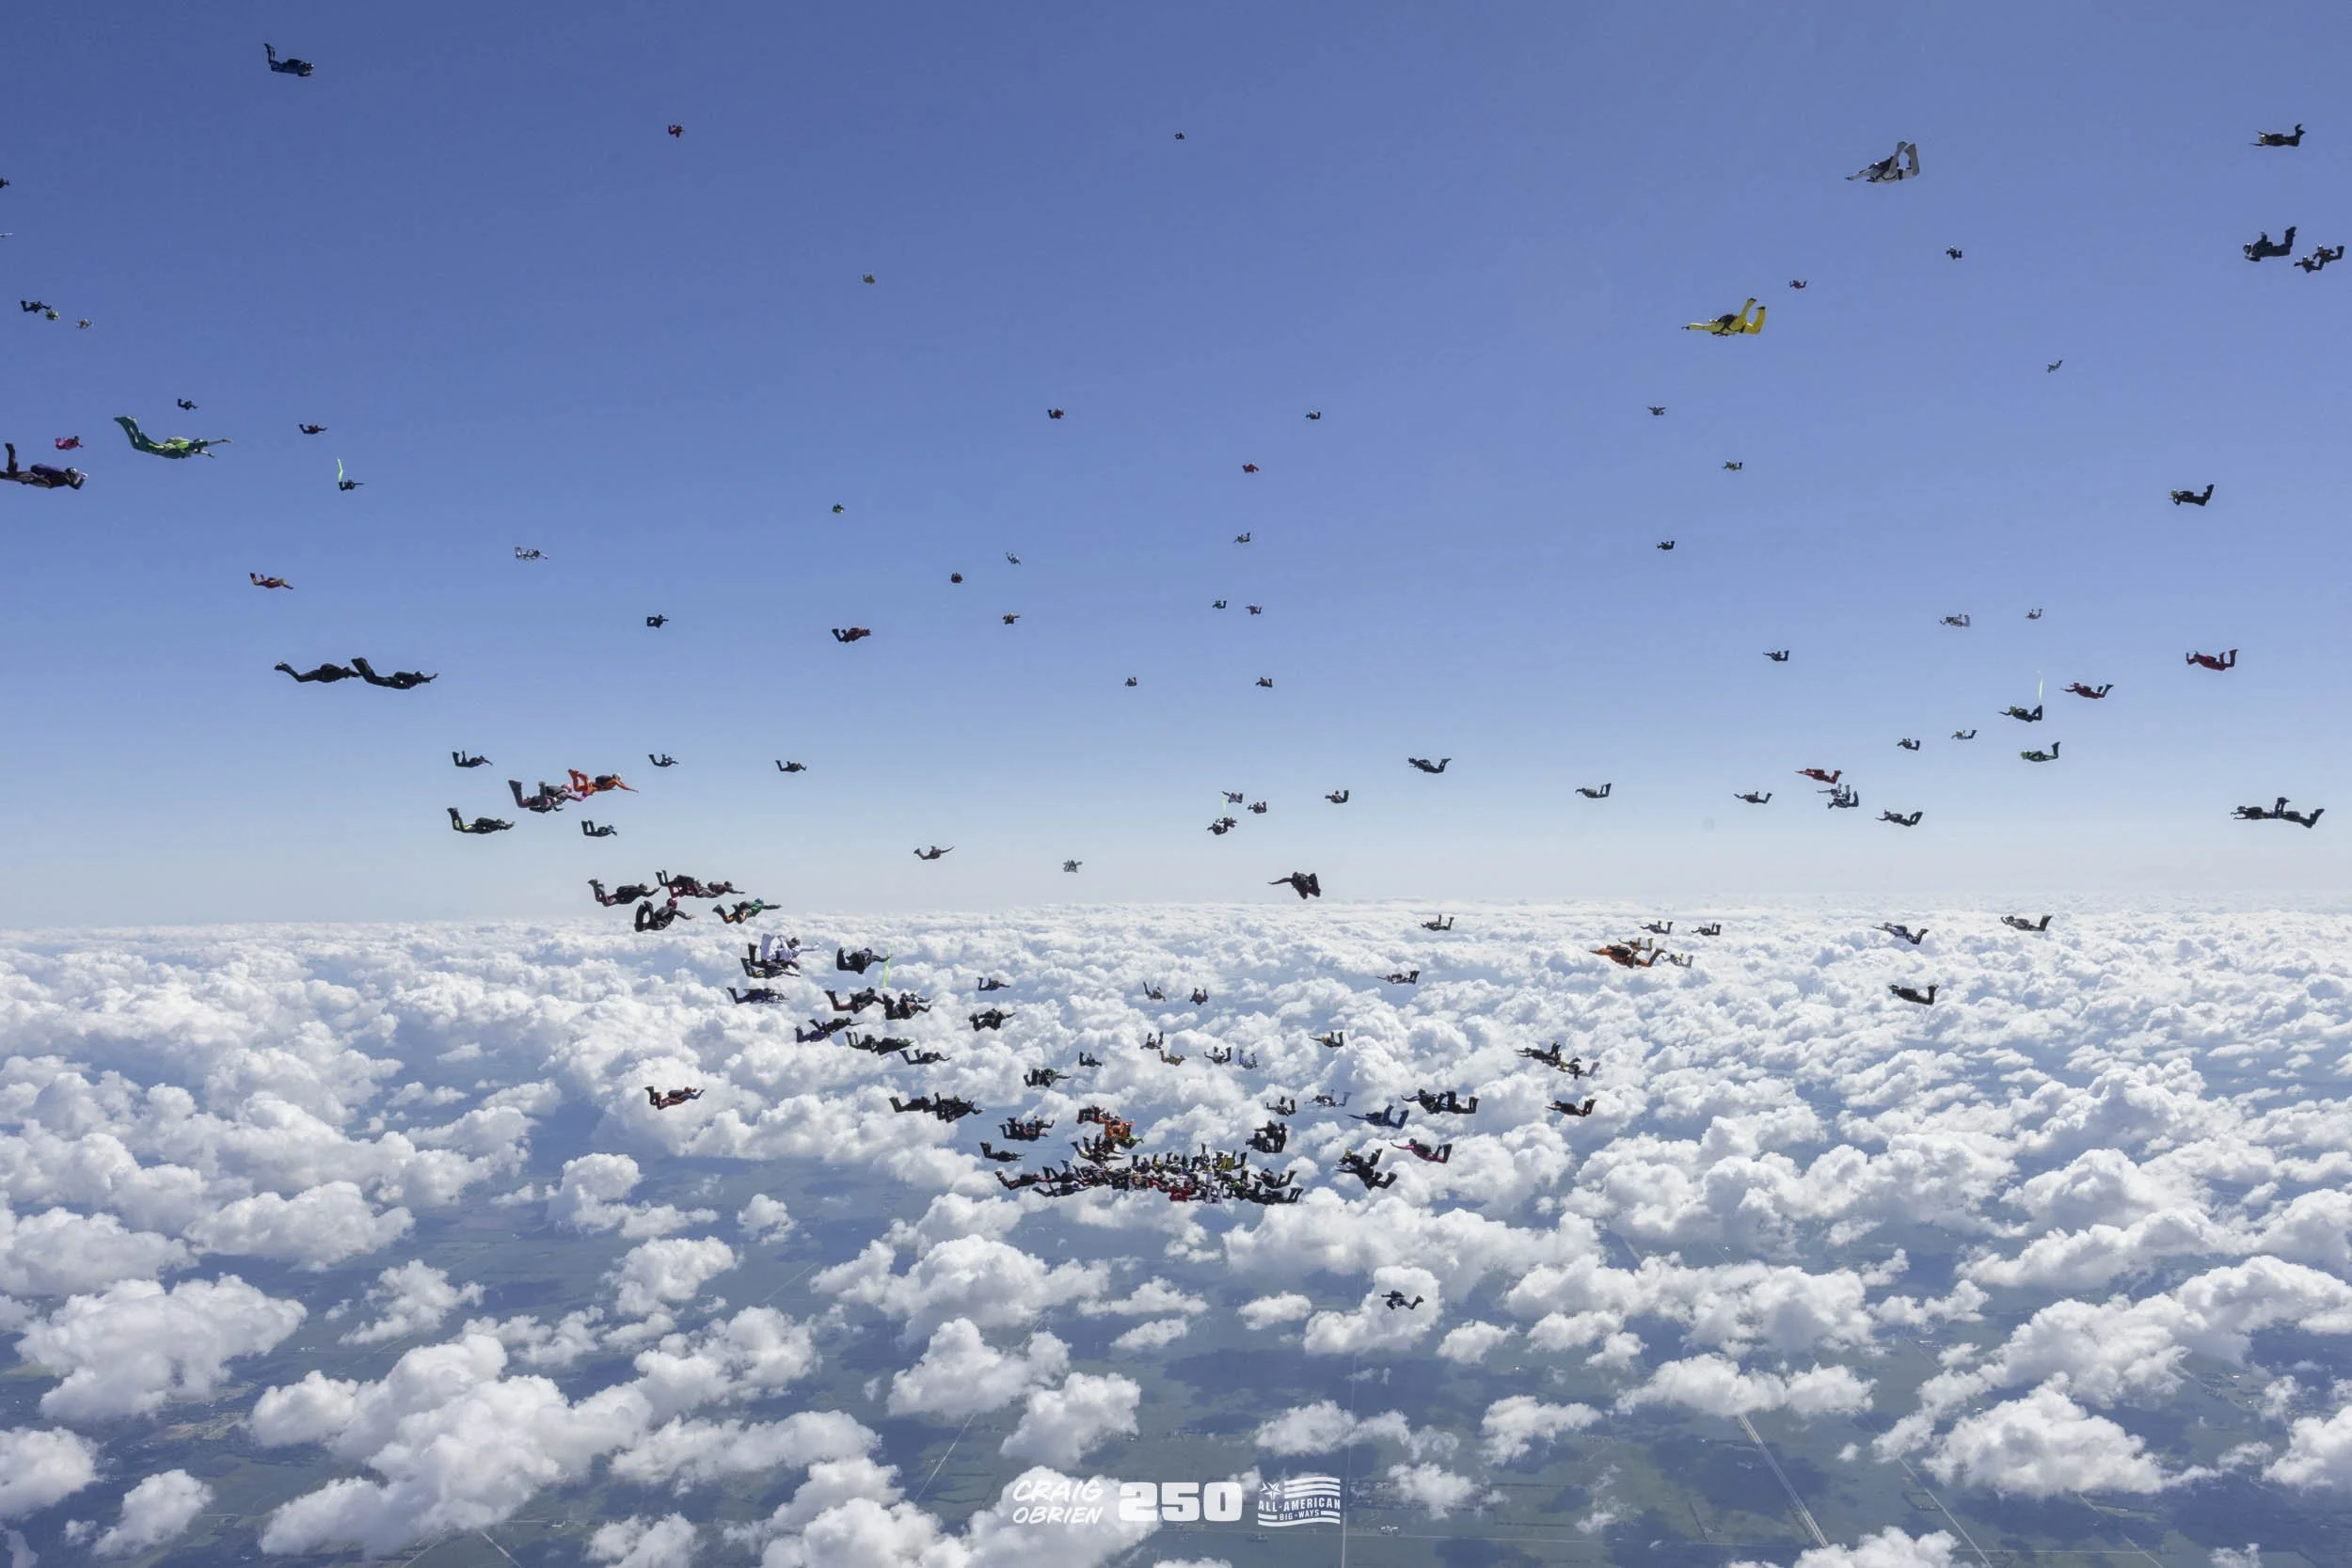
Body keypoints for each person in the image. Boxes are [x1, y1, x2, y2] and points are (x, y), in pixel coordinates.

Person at [115, 415, 228, 459]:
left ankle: (124, 424)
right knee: (140, 440)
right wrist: (221, 441)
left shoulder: (186, 450)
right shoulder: (186, 445)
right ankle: (132, 422)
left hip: (157, 451)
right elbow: (206, 444)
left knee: (136, 445)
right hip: (158, 448)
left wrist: (208, 454)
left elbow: (198, 451)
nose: (191, 455)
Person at [1, 443, 86, 489]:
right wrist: (83, 478)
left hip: (38, 479)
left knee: (12, 474)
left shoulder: (64, 477)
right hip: (38, 480)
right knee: (11, 474)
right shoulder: (64, 476)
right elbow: (76, 486)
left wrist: (82, 478)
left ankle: (11, 452)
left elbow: (75, 486)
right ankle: (11, 452)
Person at [1849, 140, 1918, 182]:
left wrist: (1853, 178)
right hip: (1890, 176)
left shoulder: (1871, 170)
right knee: (1892, 171)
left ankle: (1905, 151)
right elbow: (1861, 174)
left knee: (1915, 172)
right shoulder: (1871, 173)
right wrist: (1853, 178)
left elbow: (1861, 174)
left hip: (1894, 174)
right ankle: (1906, 151)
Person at [350, 657, 435, 689]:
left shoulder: (412, 679)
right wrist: (430, 678)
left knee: (372, 678)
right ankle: (361, 662)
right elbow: (420, 679)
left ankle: (361, 662)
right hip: (391, 682)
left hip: (391, 682)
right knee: (371, 679)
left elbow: (398, 673)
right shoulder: (414, 678)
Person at [276, 660, 358, 683]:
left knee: (300, 679)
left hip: (317, 677)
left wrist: (360, 674)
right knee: (300, 679)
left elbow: (353, 674)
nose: (346, 678)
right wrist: (323, 674)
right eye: (346, 676)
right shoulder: (337, 670)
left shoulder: (340, 675)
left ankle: (284, 667)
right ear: (345, 672)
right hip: (316, 674)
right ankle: (284, 666)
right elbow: (324, 665)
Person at [448, 809, 512, 834]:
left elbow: (505, 827)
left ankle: (453, 813)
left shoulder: (495, 826)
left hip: (476, 827)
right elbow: (505, 827)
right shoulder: (495, 825)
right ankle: (456, 813)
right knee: (463, 830)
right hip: (476, 827)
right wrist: (509, 825)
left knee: (456, 827)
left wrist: (509, 825)